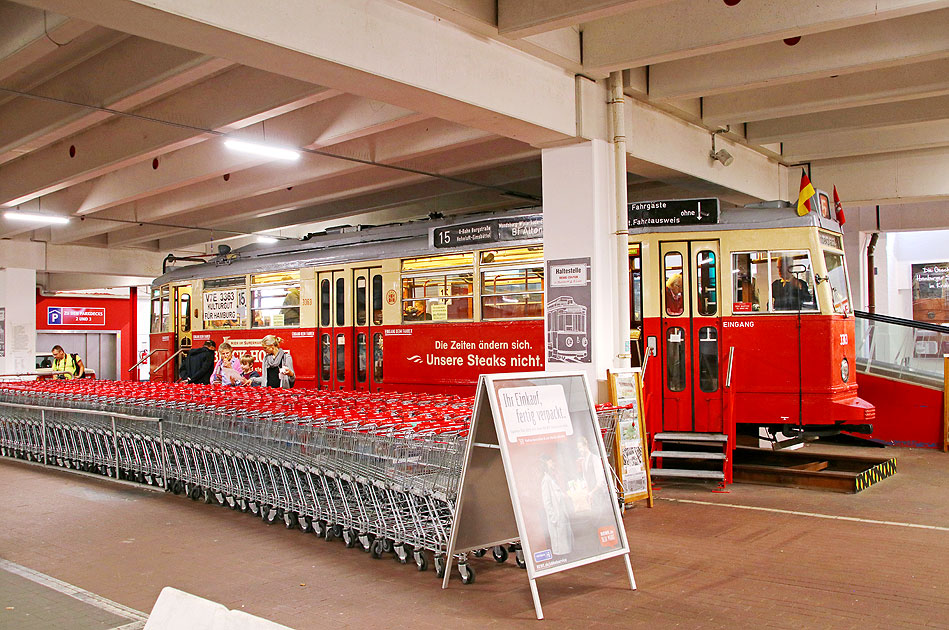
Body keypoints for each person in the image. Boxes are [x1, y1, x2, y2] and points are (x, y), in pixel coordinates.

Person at [540, 455, 573, 557]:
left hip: (561, 515)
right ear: (545, 465)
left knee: (565, 543)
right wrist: (553, 517)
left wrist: (567, 495)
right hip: (556, 518)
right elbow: (547, 502)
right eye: (550, 462)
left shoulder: (552, 478)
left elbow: (558, 494)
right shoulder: (546, 481)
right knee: (560, 546)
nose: (553, 464)